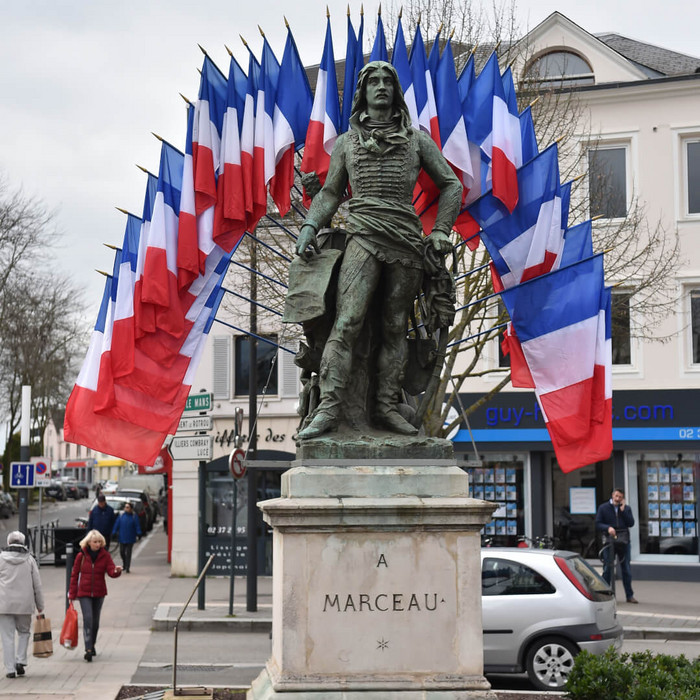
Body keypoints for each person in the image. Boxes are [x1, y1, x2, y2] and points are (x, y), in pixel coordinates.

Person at [294, 61, 461, 440]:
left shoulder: (418, 141)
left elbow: (451, 185)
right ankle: (329, 408)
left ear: (396, 90)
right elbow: (332, 193)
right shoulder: (346, 144)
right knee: (348, 321)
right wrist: (308, 226)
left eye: (388, 81)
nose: (382, 87)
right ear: (363, 93)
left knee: (394, 326)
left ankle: (386, 407)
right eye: (374, 82)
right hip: (363, 235)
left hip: (405, 239)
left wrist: (440, 232)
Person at [68, 529, 122, 661]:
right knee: (88, 618)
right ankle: (88, 648)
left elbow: (110, 571)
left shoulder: (105, 555)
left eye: (99, 542)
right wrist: (72, 594)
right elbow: (74, 575)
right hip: (84, 592)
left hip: (99, 592)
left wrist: (116, 571)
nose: (97, 544)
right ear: (89, 543)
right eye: (95, 542)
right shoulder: (81, 556)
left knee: (95, 621)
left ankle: (92, 643)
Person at [0, 531, 45, 678]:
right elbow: (37, 584)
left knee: (7, 636)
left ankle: (10, 669)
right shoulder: (29, 559)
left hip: (4, 604)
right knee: (24, 632)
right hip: (25, 604)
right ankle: (21, 661)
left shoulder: (1, 559)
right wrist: (40, 604)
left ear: (8, 542)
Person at [595, 488, 637, 603]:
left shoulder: (626, 509)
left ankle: (629, 595)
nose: (617, 499)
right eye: (616, 496)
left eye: (620, 497)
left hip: (623, 540)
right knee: (608, 568)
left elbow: (631, 523)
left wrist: (623, 511)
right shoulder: (603, 508)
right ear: (612, 495)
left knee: (626, 569)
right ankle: (604, 594)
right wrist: (608, 528)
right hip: (609, 540)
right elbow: (598, 523)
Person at [112, 502, 142, 573]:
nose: (126, 508)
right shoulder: (121, 516)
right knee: (122, 552)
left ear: (131, 509)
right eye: (125, 507)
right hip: (122, 537)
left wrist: (139, 533)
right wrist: (114, 532)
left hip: (130, 537)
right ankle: (125, 563)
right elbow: (117, 524)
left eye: (128, 507)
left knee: (128, 553)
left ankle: (127, 566)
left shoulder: (134, 517)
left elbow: (137, 525)